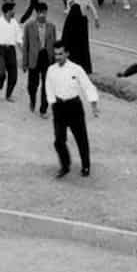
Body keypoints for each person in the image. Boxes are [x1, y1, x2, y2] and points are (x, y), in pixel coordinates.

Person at [45, 40, 100, 178]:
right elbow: (49, 88)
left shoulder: (76, 69)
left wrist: (93, 104)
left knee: (81, 138)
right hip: (59, 107)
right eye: (56, 54)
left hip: (74, 106)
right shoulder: (51, 70)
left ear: (67, 53)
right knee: (58, 140)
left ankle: (86, 165)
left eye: (60, 54)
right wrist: (53, 104)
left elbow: (88, 86)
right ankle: (65, 165)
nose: (57, 57)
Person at [22, 2, 56, 117]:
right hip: (33, 58)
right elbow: (25, 45)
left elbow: (54, 44)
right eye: (40, 13)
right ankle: (32, 100)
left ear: (46, 12)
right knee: (32, 85)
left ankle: (43, 110)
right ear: (36, 13)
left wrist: (55, 61)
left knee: (47, 85)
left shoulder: (51, 26)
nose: (42, 15)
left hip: (46, 57)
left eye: (44, 12)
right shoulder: (28, 26)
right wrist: (24, 62)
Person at [61, 3, 92, 75]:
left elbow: (65, 36)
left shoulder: (69, 20)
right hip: (80, 47)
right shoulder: (83, 20)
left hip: (71, 48)